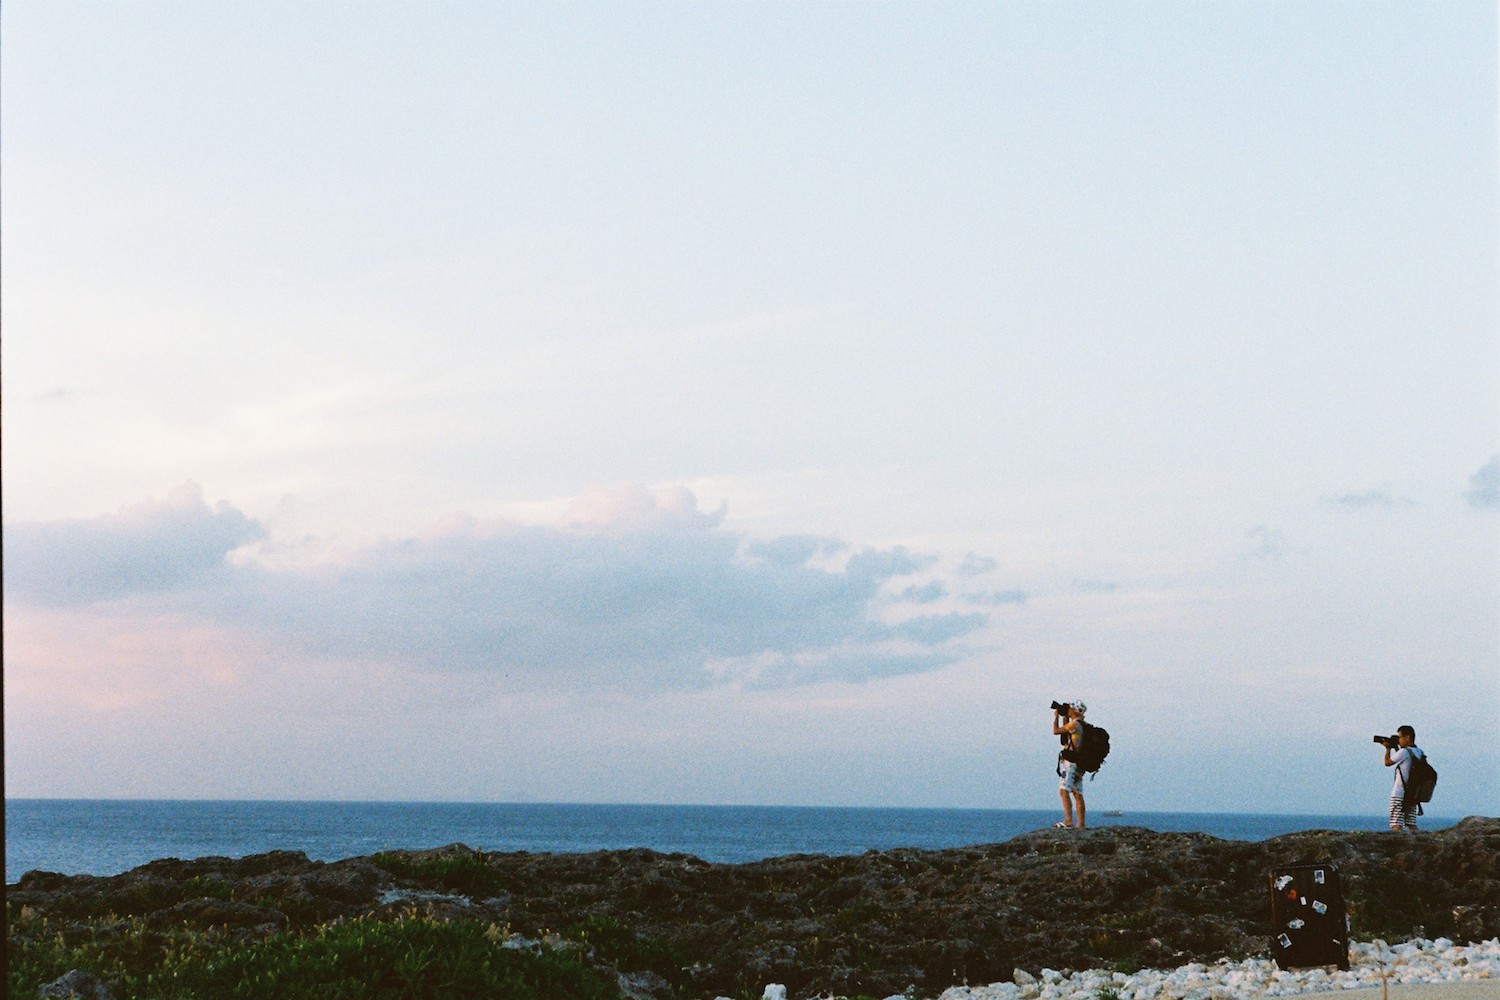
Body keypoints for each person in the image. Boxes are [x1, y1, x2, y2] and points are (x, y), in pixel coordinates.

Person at [1382, 725, 1426, 832]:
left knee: (1396, 823)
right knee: (1411, 823)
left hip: (1399, 793)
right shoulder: (1419, 752)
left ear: (1407, 737)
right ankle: (1417, 843)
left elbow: (1387, 762)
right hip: (1412, 793)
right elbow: (1404, 760)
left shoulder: (1403, 752)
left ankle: (1397, 845)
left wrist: (1388, 748)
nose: (1399, 740)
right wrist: (1396, 748)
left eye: (1400, 737)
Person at [1052, 700, 1087, 829]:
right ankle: (1081, 824)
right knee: (1077, 793)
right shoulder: (1083, 725)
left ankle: (1068, 821)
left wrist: (1056, 717)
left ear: (1077, 711)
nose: (1069, 710)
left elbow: (1056, 731)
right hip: (1080, 763)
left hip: (1070, 763)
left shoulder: (1074, 725)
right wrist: (1066, 717)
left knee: (1063, 790)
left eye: (1071, 708)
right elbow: (1066, 738)